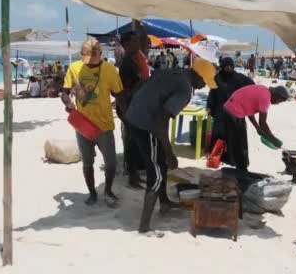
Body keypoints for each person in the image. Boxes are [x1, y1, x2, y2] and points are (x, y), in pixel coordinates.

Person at [126, 58, 217, 234]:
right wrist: (170, 153)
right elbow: (161, 122)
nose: (203, 86)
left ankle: (165, 202)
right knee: (157, 174)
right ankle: (144, 227)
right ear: (198, 76)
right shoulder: (185, 90)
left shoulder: (173, 72)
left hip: (134, 115)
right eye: (204, 81)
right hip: (145, 125)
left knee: (160, 162)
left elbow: (145, 85)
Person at [62, 39, 124, 207]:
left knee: (111, 163)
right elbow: (65, 93)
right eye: (85, 58)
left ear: (100, 55)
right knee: (87, 163)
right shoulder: (74, 68)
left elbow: (119, 95)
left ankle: (108, 190)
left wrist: (126, 114)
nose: (88, 62)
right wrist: (68, 103)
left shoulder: (110, 70)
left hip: (104, 126)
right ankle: (92, 193)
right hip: (82, 125)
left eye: (91, 59)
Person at [116, 30, 151, 189]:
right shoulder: (127, 64)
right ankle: (132, 176)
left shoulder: (134, 59)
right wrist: (144, 83)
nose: (139, 44)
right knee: (132, 142)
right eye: (136, 41)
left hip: (133, 107)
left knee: (135, 142)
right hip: (128, 107)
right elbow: (125, 91)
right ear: (127, 44)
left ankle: (134, 174)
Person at [207, 57, 255, 170]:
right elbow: (212, 93)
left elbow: (252, 87)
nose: (228, 68)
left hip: (236, 112)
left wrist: (245, 101)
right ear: (222, 66)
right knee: (219, 136)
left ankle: (236, 160)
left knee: (237, 137)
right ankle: (218, 158)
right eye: (226, 66)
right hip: (221, 111)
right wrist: (209, 106)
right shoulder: (217, 78)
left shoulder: (240, 78)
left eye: (230, 66)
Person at [223, 84, 289, 148]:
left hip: (228, 108)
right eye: (279, 101)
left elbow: (249, 110)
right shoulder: (265, 98)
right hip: (234, 112)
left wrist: (257, 127)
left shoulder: (263, 89)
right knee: (236, 143)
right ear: (276, 95)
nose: (277, 103)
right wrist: (273, 139)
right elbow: (262, 123)